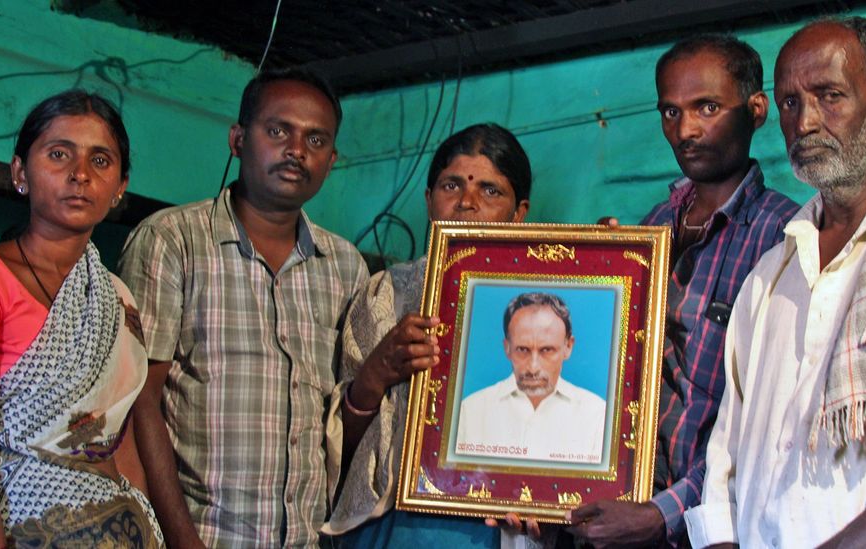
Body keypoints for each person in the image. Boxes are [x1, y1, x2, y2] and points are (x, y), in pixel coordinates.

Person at [684, 17, 866, 548]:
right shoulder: (769, 275)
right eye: (790, 103)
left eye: (829, 96)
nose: (804, 122)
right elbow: (725, 458)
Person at [118, 68, 368, 547]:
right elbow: (138, 402)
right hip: (201, 536)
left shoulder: (346, 267)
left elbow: (341, 414)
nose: (297, 150)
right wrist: (180, 539)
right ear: (237, 139)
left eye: (315, 139)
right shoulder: (172, 241)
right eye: (278, 131)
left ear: (331, 159)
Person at [569, 35, 799, 547]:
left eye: (708, 107)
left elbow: (763, 425)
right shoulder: (652, 227)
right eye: (670, 113)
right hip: (619, 507)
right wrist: (595, 282)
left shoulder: (785, 237)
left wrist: (660, 513)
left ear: (756, 110)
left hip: (706, 529)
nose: (686, 130)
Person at [0, 90, 163, 546]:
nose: (79, 175)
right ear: (20, 173)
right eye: (59, 154)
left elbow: (120, 444)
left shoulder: (116, 298)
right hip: (19, 525)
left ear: (119, 187)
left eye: (100, 161)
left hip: (119, 528)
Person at [323, 123, 532, 547]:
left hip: (496, 528)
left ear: (520, 212)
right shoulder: (387, 293)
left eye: (491, 190)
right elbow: (336, 448)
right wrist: (376, 374)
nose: (468, 203)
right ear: (429, 199)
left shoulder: (544, 300)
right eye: (451, 185)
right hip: (391, 525)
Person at [455, 292, 606, 464]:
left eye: (547, 350)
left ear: (568, 347)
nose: (533, 367)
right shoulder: (471, 411)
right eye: (523, 350)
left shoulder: (597, 415)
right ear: (507, 348)